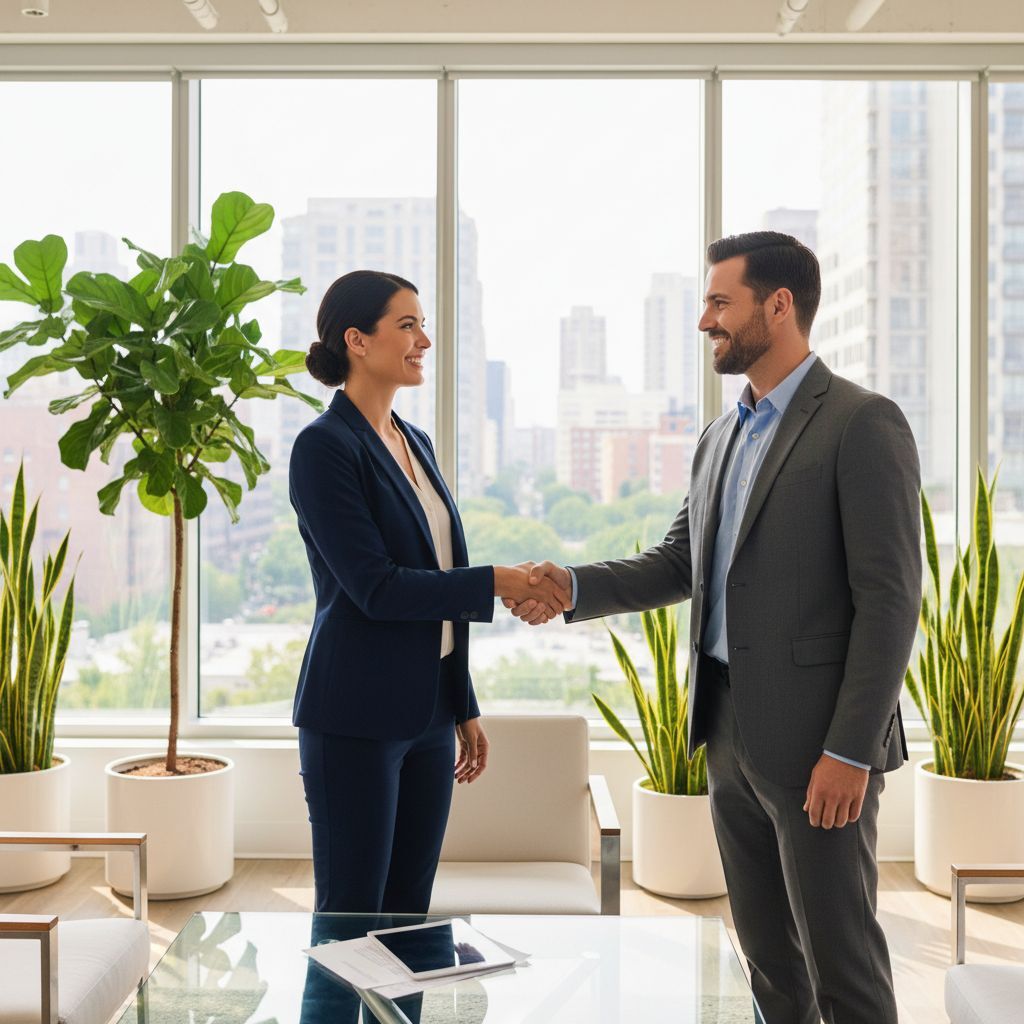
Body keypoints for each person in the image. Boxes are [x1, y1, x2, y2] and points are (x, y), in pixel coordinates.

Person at [507, 232, 921, 1024]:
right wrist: (570, 588)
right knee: (768, 960)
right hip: (727, 730)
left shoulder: (862, 424)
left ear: (779, 305)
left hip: (820, 749)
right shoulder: (720, 436)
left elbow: (892, 601)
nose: (705, 321)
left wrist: (848, 750)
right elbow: (677, 563)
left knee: (844, 966)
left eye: (719, 301)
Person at [290, 269, 569, 916]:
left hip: (429, 717)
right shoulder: (323, 448)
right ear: (357, 341)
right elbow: (376, 589)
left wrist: (460, 703)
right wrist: (498, 581)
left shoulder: (412, 441)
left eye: (424, 323)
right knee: (350, 915)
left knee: (410, 910)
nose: (425, 340)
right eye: (408, 325)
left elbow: (437, 570)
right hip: (354, 717)